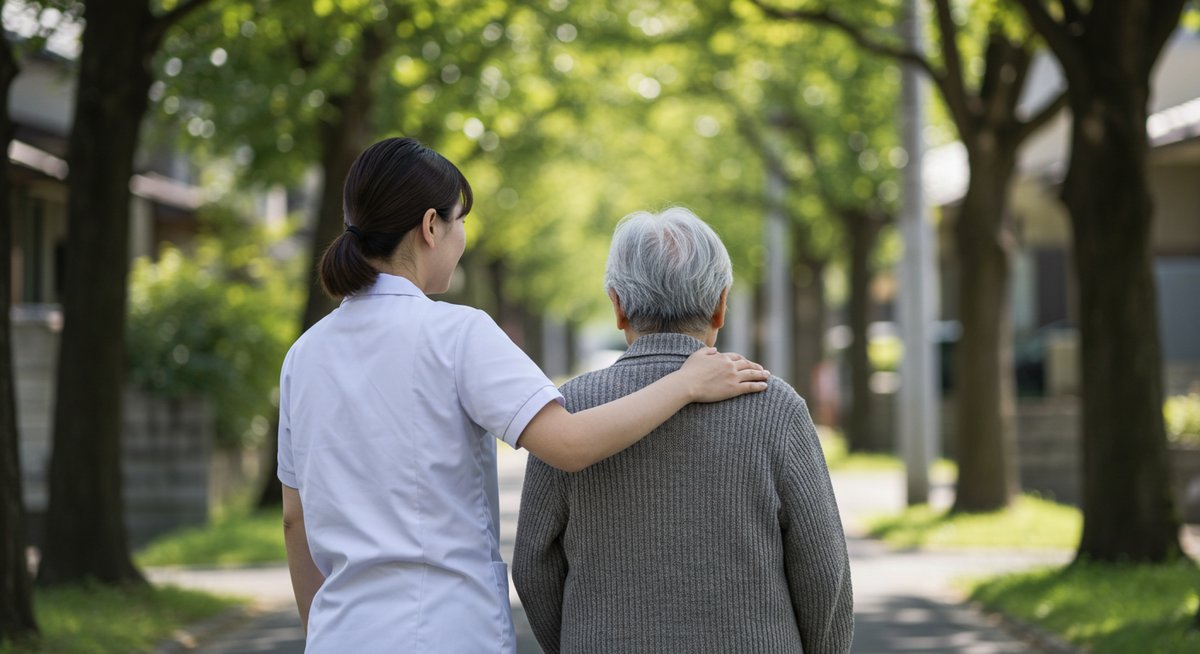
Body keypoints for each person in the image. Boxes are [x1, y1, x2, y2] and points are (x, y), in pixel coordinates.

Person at [276, 138, 770, 653]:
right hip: (446, 630)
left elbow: (296, 518)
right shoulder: (456, 333)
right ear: (430, 226)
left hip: (339, 634)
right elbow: (570, 444)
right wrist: (686, 382)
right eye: (460, 220)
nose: (462, 236)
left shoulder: (304, 355)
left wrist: (322, 630)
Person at [513, 207, 854, 653]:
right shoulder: (774, 407)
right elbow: (824, 572)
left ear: (617, 306)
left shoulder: (569, 411)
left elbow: (532, 566)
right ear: (721, 305)